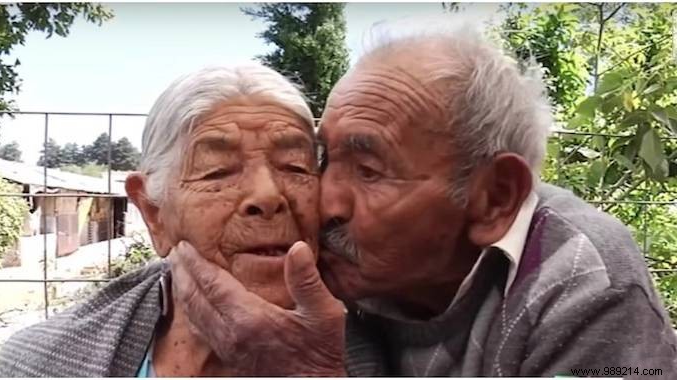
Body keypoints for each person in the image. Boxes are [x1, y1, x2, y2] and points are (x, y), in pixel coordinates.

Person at [167, 23, 677, 377]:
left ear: (494, 199)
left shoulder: (588, 290)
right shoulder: (344, 257)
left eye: (369, 170)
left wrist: (315, 373)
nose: (325, 203)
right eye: (324, 160)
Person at [0, 63, 327, 376]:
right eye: (217, 172)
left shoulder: (370, 349)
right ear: (153, 213)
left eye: (295, 166)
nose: (268, 196)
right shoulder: (37, 364)